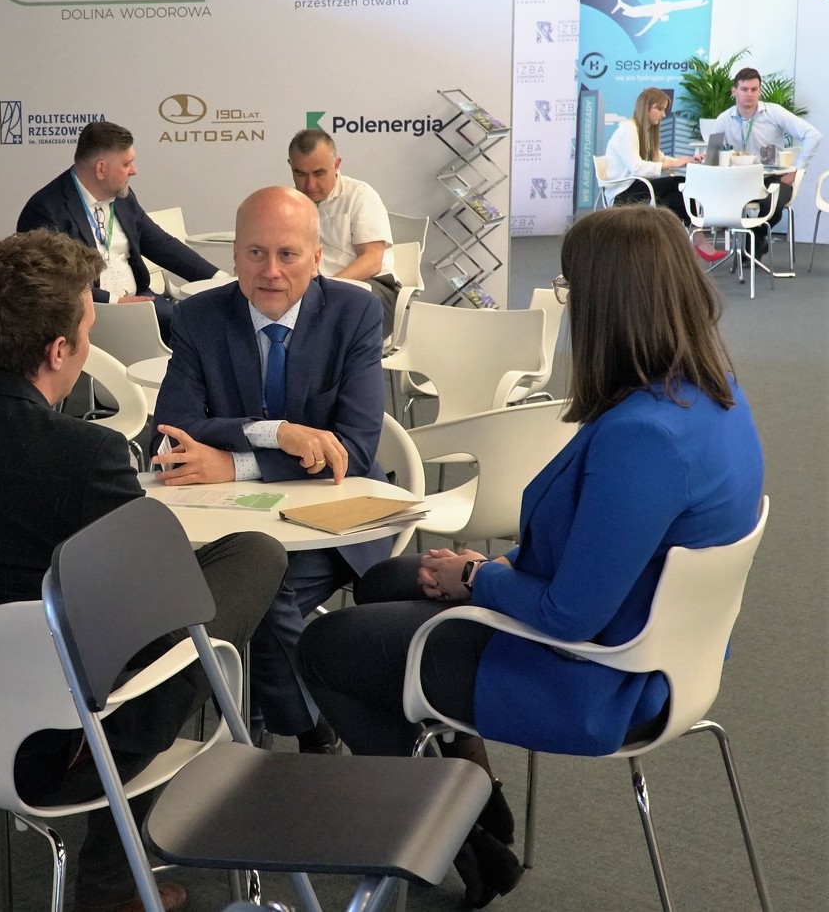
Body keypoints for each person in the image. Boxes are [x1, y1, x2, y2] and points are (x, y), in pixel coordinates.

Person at [297, 204, 764, 907]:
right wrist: (488, 573)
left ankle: (461, 842)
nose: (568, 304)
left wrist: (477, 575)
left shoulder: (644, 438)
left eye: (570, 287)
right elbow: (601, 546)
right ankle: (471, 791)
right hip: (656, 648)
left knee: (328, 646)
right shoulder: (709, 399)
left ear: (609, 301)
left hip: (597, 678)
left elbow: (569, 615)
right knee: (387, 580)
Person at [0, 229, 285, 912]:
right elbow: (157, 620)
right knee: (248, 564)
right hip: (50, 746)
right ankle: (112, 881)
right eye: (89, 331)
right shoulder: (86, 456)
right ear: (59, 351)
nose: (89, 346)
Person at [152, 186, 389, 753]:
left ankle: (262, 733)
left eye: (288, 254)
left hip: (331, 522)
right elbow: (174, 426)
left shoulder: (355, 313)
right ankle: (311, 727)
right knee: (253, 582)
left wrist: (234, 463)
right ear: (235, 256)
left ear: (317, 258)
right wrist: (276, 432)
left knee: (255, 587)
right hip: (229, 522)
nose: (271, 271)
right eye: (255, 253)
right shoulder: (198, 317)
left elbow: (353, 450)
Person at [17, 121, 220, 342]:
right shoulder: (45, 210)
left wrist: (218, 279)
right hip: (90, 314)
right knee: (195, 329)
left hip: (139, 301)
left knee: (203, 321)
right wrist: (115, 302)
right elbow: (55, 282)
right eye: (127, 164)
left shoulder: (123, 197)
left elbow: (161, 244)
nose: (134, 170)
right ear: (101, 169)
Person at [285, 128, 401, 337]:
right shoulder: (288, 202)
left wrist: (325, 290)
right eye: (300, 174)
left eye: (319, 173)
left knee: (334, 317)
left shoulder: (359, 195)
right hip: (312, 289)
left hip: (371, 285)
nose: (310, 184)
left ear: (336, 165)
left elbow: (372, 260)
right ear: (290, 166)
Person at [605, 88, 725, 260]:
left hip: (637, 186)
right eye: (659, 109)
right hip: (623, 193)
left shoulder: (645, 132)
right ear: (645, 108)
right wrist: (675, 164)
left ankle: (682, 245)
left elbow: (659, 158)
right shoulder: (628, 130)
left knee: (675, 198)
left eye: (664, 110)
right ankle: (696, 240)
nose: (663, 115)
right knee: (679, 183)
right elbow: (637, 167)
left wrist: (685, 160)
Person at [713, 67, 822, 255]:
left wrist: (797, 169)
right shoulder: (724, 119)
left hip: (775, 178)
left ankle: (753, 241)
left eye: (754, 89)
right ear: (734, 91)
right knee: (723, 201)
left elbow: (813, 135)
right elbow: (713, 155)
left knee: (771, 204)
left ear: (760, 91)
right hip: (739, 180)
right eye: (744, 89)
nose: (749, 94)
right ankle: (755, 244)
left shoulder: (774, 113)